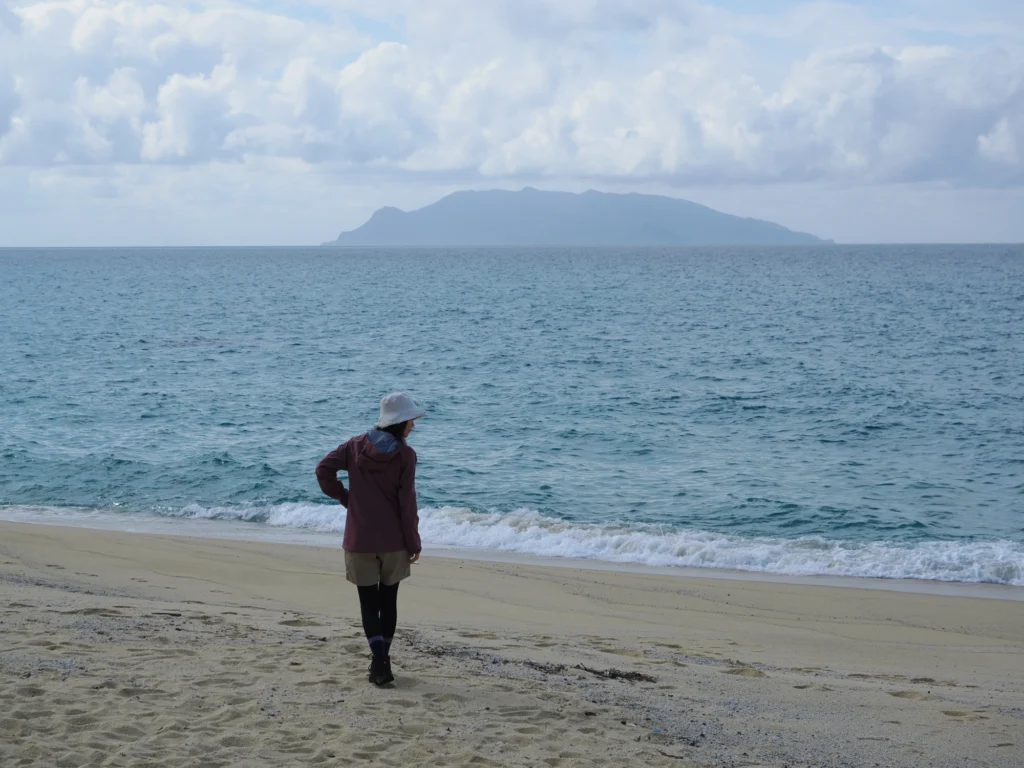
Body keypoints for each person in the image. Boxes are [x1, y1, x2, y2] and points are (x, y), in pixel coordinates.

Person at [315, 392, 425, 686]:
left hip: (360, 539)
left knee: (367, 603)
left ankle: (380, 661)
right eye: (411, 421)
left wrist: (346, 498)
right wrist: (414, 542)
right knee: (388, 602)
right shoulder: (405, 455)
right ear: (400, 423)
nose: (413, 426)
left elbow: (323, 470)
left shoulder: (353, 447)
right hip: (394, 541)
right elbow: (407, 504)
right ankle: (381, 662)